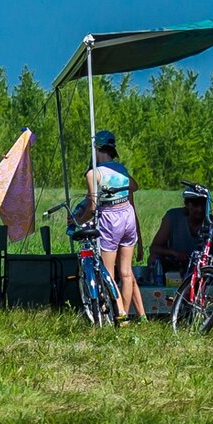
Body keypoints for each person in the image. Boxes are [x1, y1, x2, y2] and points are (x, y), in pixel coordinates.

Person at [76, 130, 146, 323]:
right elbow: (134, 186)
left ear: (96, 149)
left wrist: (78, 221)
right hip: (128, 215)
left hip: (110, 218)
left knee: (108, 273)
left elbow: (92, 207)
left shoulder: (93, 174)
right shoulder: (120, 169)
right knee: (125, 272)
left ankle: (120, 315)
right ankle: (125, 313)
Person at [148, 187, 213, 274]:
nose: (200, 209)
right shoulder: (172, 217)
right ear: (187, 204)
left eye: (203, 205)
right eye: (195, 205)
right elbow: (154, 248)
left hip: (200, 266)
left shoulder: (212, 223)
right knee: (154, 257)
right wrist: (175, 253)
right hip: (175, 263)